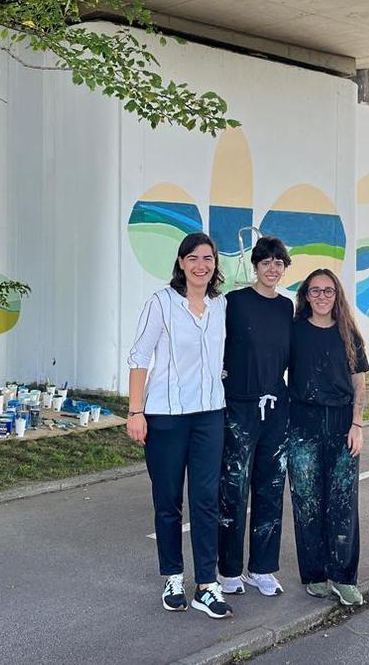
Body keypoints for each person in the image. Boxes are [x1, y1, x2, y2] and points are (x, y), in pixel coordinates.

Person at [126, 232, 231, 619]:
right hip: (165, 418)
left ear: (215, 264)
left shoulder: (221, 306)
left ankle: (207, 584)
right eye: (194, 258)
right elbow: (138, 357)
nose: (201, 265)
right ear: (182, 263)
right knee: (168, 501)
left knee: (206, 500)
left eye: (208, 258)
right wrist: (135, 412)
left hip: (209, 416)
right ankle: (173, 577)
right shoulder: (161, 303)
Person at [286, 268, 369, 606]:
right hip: (302, 423)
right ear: (306, 295)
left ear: (337, 296)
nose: (322, 296)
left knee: (342, 503)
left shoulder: (350, 334)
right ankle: (315, 574)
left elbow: (359, 382)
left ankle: (344, 576)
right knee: (307, 502)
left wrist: (357, 424)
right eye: (315, 291)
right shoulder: (293, 332)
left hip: (341, 424)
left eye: (328, 291)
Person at [216, 236, 293, 597]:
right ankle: (228, 570)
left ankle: (261, 569)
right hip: (239, 407)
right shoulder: (234, 303)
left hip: (276, 409)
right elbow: (213, 345)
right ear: (255, 265)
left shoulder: (286, 307)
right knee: (233, 489)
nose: (272, 268)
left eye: (279, 263)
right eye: (266, 262)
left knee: (271, 489)